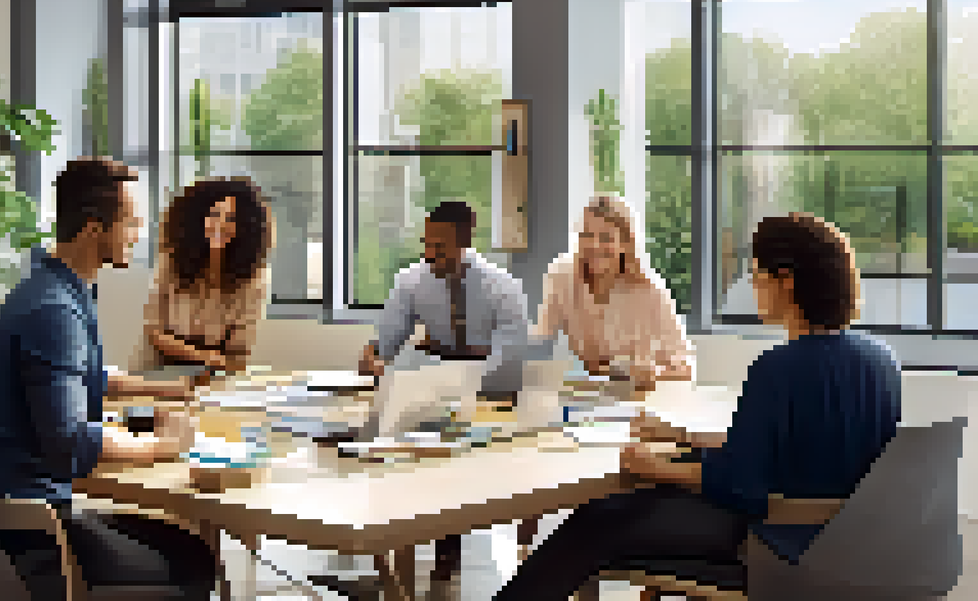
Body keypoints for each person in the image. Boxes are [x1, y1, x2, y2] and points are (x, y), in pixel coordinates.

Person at [493, 212, 902, 601]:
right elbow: (798, 446)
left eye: (757, 275)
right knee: (615, 513)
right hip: (846, 539)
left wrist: (656, 467)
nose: (752, 284)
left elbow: (739, 486)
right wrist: (682, 437)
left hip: (778, 537)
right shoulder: (880, 359)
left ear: (787, 281)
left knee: (598, 519)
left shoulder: (778, 367)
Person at [0, 158, 219, 601]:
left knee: (185, 543)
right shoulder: (55, 310)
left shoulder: (54, 287)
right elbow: (72, 444)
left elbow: (86, 377)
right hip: (30, 533)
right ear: (94, 229)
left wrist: (166, 391)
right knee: (190, 559)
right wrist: (163, 446)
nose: (139, 236)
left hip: (13, 513)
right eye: (131, 223)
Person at [357, 201, 531, 589]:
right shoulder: (411, 281)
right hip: (431, 381)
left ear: (465, 241)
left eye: (439, 246)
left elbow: (510, 362)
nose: (429, 253)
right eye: (426, 243)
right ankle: (386, 541)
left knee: (455, 443)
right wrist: (374, 357)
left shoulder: (503, 287)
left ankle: (450, 543)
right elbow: (385, 342)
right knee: (383, 430)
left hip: (486, 390)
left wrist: (465, 375)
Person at [535, 195, 694, 390]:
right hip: (594, 396)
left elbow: (687, 369)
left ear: (625, 243)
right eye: (586, 235)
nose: (594, 246)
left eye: (606, 238)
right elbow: (540, 338)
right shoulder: (561, 276)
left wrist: (653, 373)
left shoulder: (649, 289)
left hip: (643, 396)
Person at [146, 176, 274, 376]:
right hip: (166, 372)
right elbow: (154, 332)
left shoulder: (254, 278)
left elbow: (239, 356)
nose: (221, 224)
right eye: (214, 214)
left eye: (231, 218)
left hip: (221, 377)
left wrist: (211, 361)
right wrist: (209, 358)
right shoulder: (170, 262)